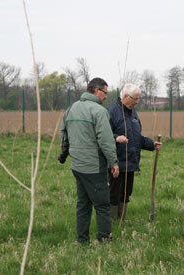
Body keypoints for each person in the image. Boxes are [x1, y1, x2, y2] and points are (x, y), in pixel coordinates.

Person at [58, 77, 119, 244]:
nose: (106, 96)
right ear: (97, 91)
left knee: (83, 204)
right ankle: (105, 239)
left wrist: (66, 154)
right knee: (102, 205)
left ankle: (81, 240)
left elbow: (63, 136)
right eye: (105, 93)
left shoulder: (71, 109)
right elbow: (106, 141)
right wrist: (113, 162)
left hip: (77, 166)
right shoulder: (99, 111)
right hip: (95, 167)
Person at [108, 84, 162, 220]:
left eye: (138, 99)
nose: (137, 102)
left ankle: (122, 221)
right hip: (116, 162)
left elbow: (137, 137)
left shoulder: (133, 113)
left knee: (126, 193)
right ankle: (112, 222)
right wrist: (116, 138)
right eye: (135, 99)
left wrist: (151, 144)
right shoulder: (111, 112)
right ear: (125, 96)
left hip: (131, 162)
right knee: (113, 194)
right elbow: (103, 136)